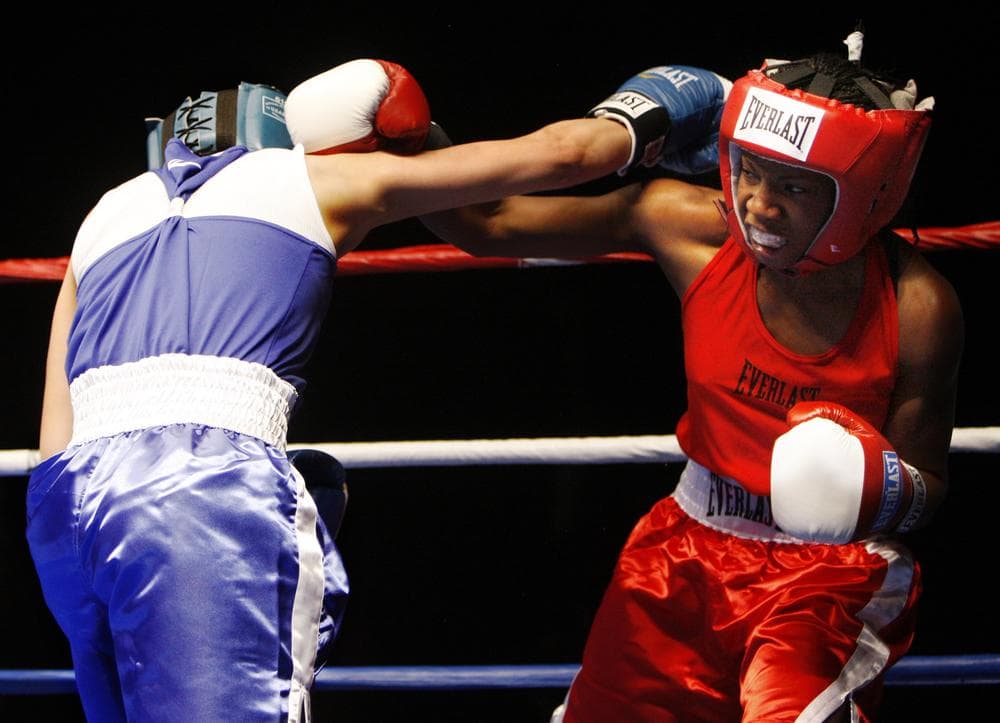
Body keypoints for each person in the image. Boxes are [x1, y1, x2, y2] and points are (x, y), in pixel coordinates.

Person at [26, 57, 641, 722]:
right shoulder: (318, 175)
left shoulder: (103, 213)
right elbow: (561, 155)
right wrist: (662, 106)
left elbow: (54, 430)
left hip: (67, 509)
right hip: (199, 489)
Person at [422, 35, 962, 722]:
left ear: (863, 191)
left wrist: (871, 488)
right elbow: (485, 221)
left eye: (794, 185)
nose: (760, 206)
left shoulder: (917, 308)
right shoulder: (692, 229)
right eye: (750, 172)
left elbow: (929, 486)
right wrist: (409, 138)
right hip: (683, 545)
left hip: (829, 575)